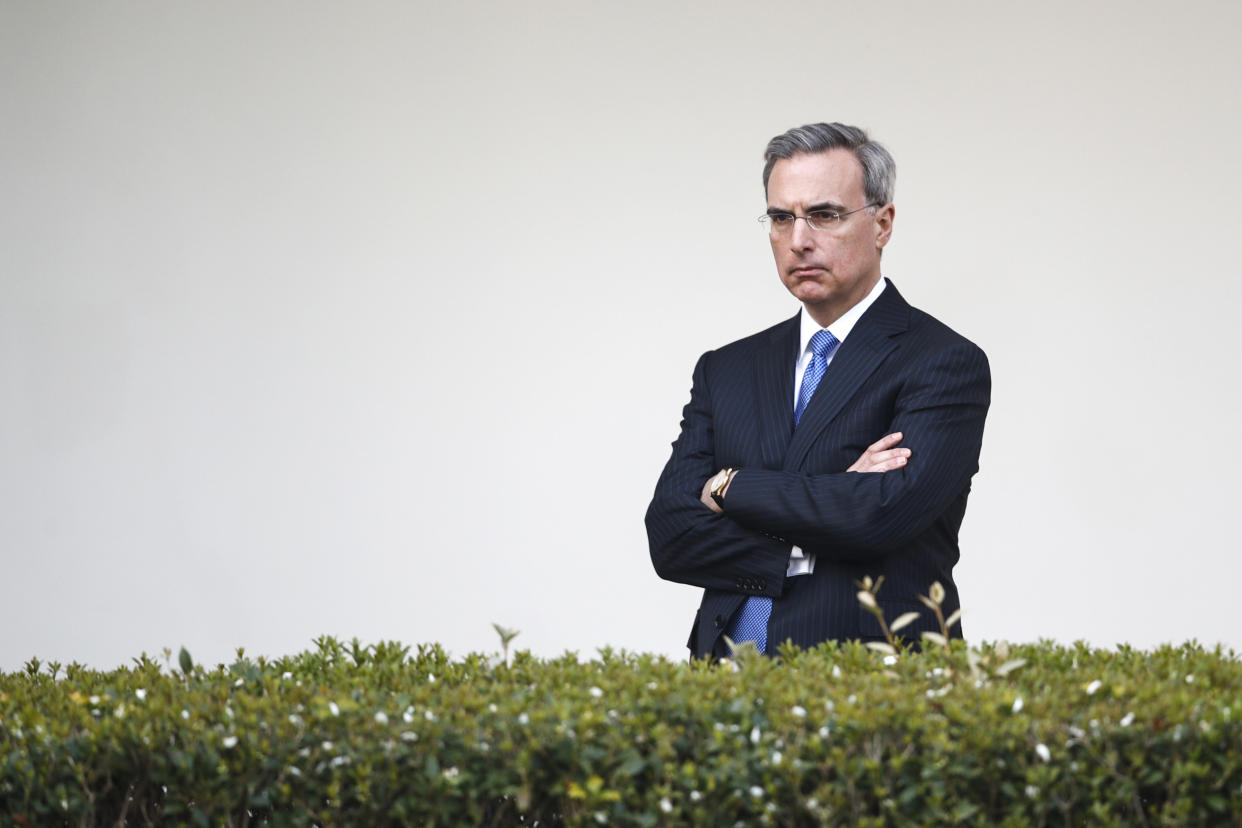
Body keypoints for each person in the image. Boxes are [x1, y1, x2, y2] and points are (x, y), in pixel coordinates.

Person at [645, 122, 990, 659]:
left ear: (883, 223)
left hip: (870, 691)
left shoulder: (942, 362)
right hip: (721, 690)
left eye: (825, 215)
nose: (799, 239)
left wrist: (730, 486)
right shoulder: (727, 369)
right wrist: (826, 509)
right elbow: (670, 536)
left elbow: (879, 516)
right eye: (782, 218)